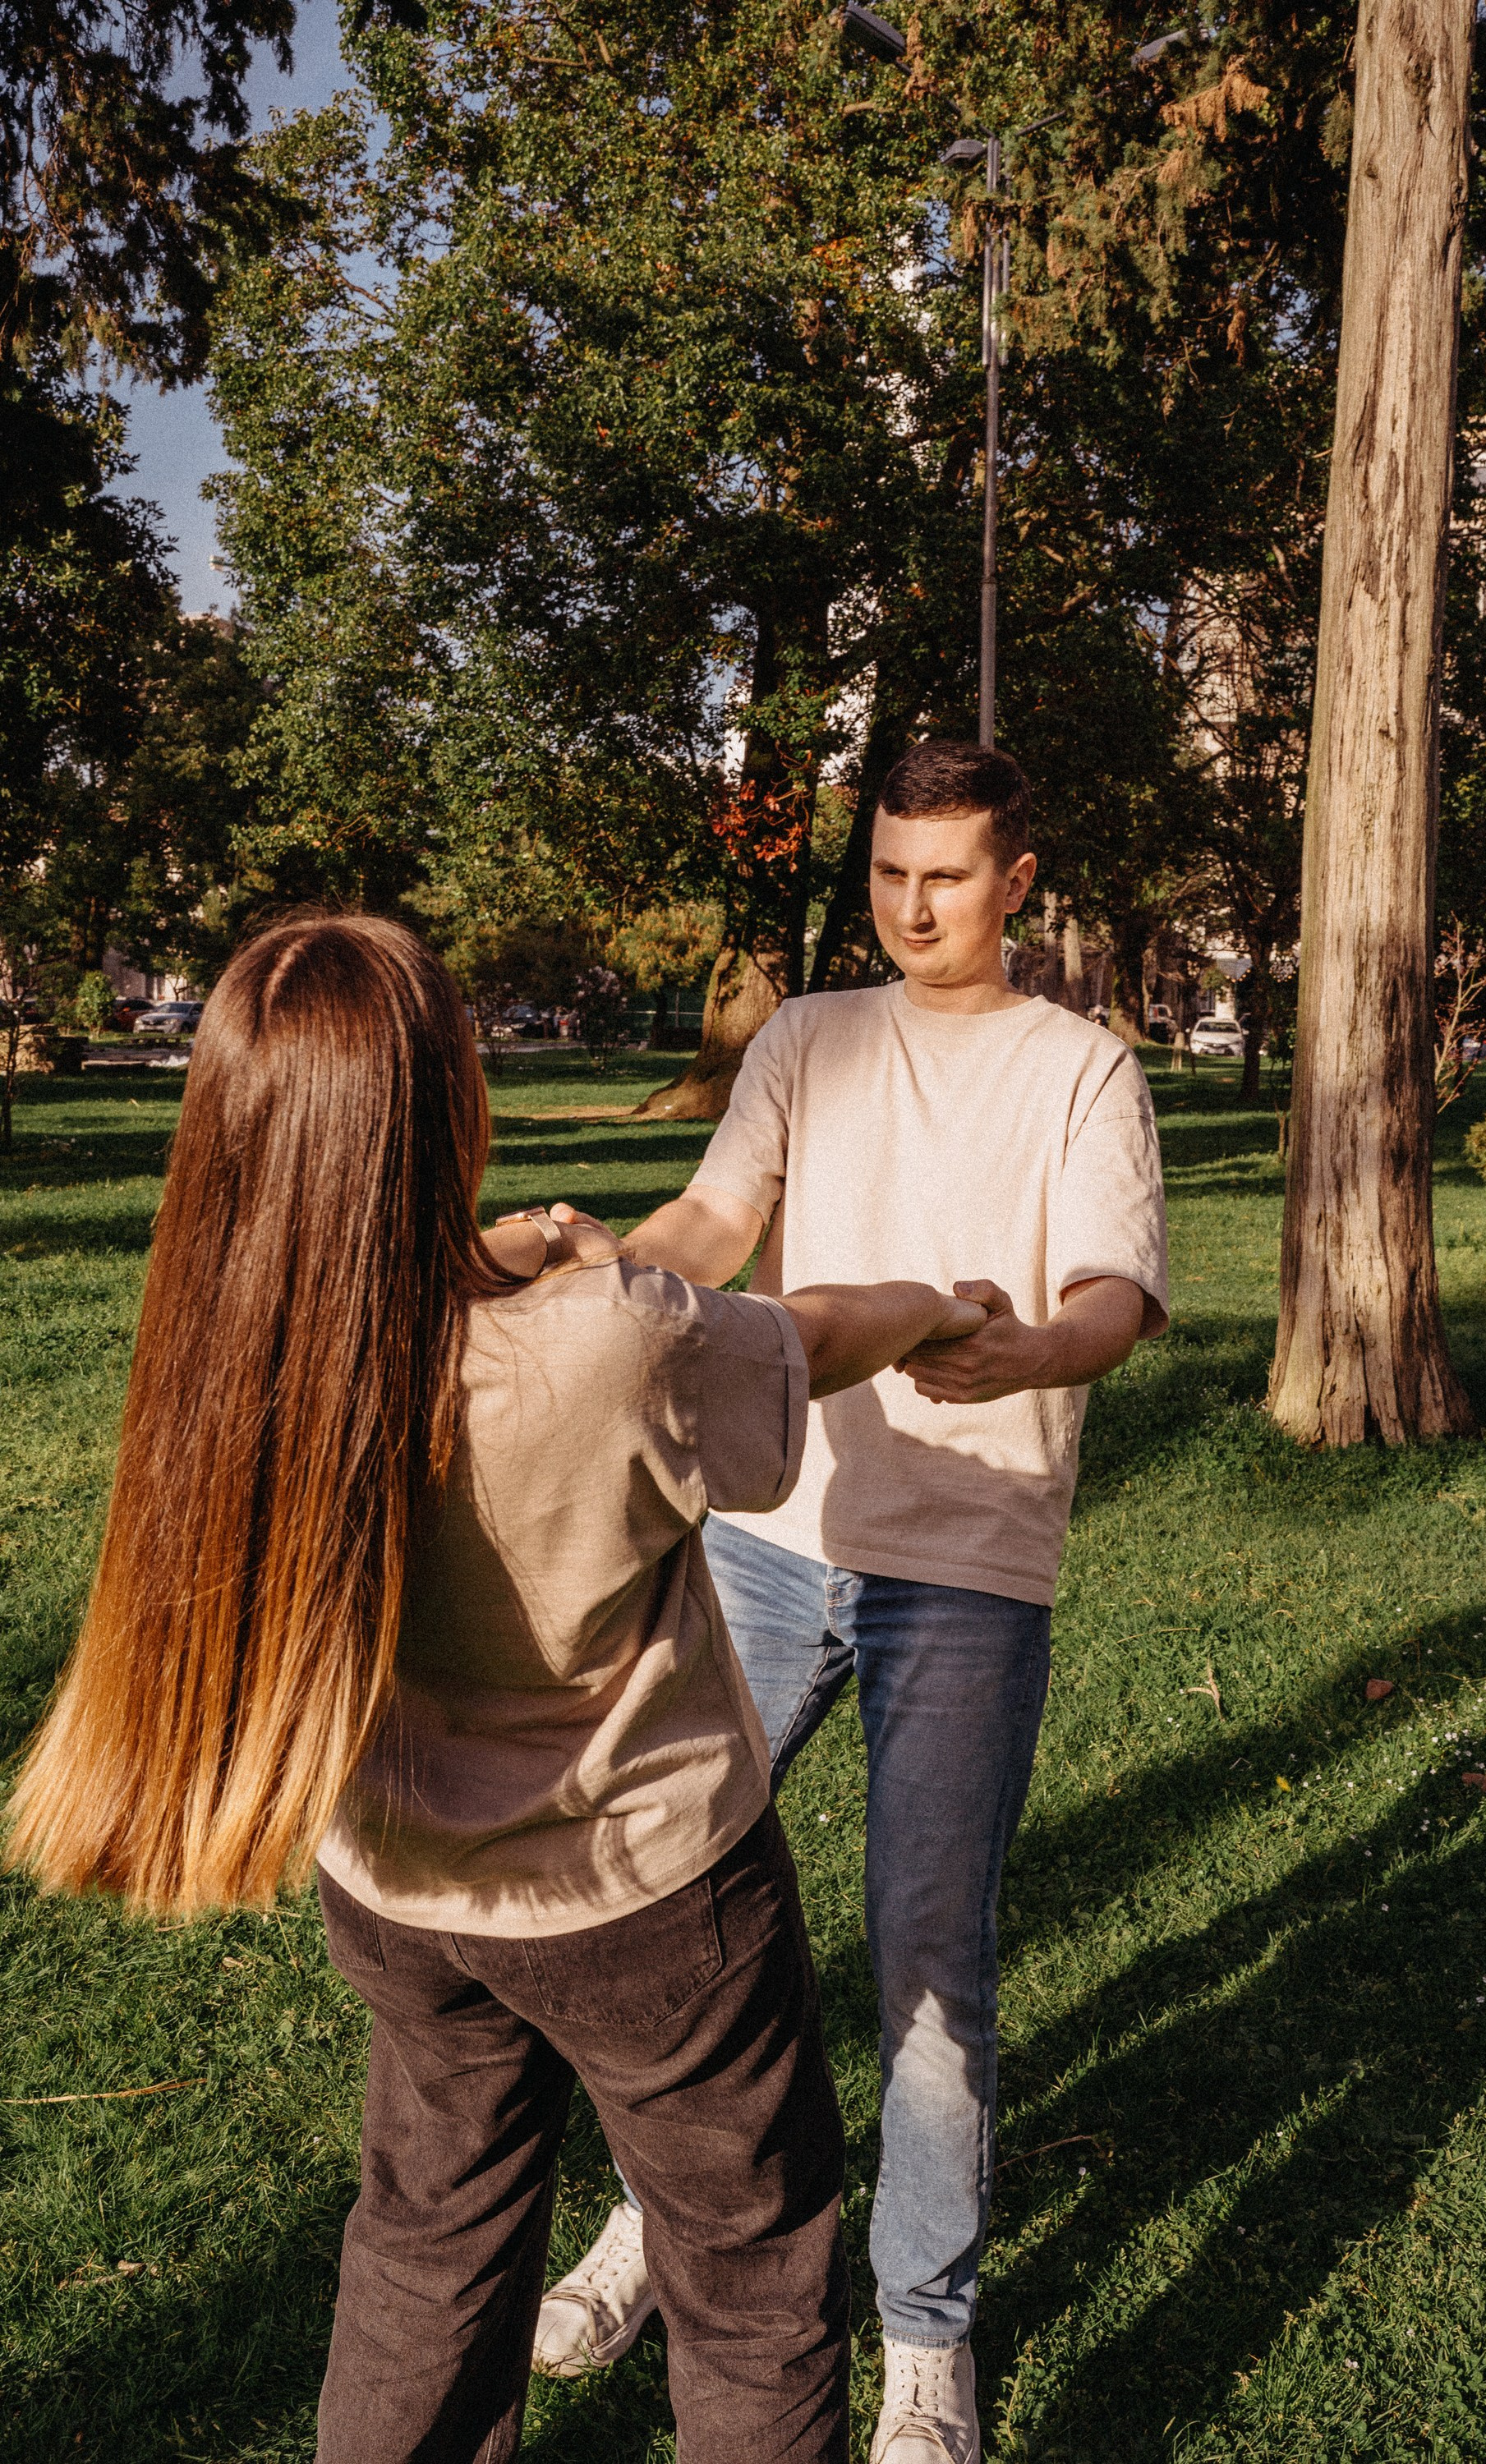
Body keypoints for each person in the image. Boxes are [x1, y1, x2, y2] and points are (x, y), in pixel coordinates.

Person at [3, 913, 991, 2464]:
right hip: (651, 1908)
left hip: (401, 1896)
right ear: (445, 1104)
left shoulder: (238, 1343)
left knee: (425, 2248)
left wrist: (508, 1263)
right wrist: (937, 1305)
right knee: (746, 2284)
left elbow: (398, 1309)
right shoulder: (607, 1347)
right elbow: (803, 1335)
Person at [537, 742, 1171, 2464]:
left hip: (967, 1566)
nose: (910, 906)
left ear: (1015, 881)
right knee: (660, 1911)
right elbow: (716, 1218)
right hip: (763, 1540)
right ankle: (650, 2234)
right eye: (889, 872)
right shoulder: (809, 1037)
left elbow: (1116, 1292)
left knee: (927, 1967)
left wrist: (1037, 1349)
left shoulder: (1081, 1069)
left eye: (945, 876)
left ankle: (921, 2342)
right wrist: (617, 1269)